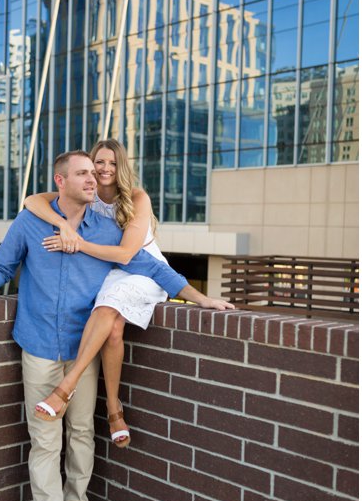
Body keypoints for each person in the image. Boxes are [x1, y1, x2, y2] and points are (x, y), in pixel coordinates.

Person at [0, 150, 221, 501]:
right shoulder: (30, 223)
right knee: (45, 444)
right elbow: (0, 267)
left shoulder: (107, 231)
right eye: (82, 173)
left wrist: (203, 299)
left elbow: (155, 269)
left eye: (93, 173)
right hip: (39, 346)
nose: (93, 179)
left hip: (84, 351)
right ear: (60, 182)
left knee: (81, 433)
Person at [24, 138, 233, 447]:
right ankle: (113, 407)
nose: (105, 168)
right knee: (110, 328)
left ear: (121, 167)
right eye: (99, 162)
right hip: (110, 271)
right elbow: (31, 201)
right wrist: (62, 225)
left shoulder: (136, 197)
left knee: (109, 309)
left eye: (112, 162)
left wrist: (202, 299)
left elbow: (126, 255)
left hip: (142, 268)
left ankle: (68, 388)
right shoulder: (86, 193)